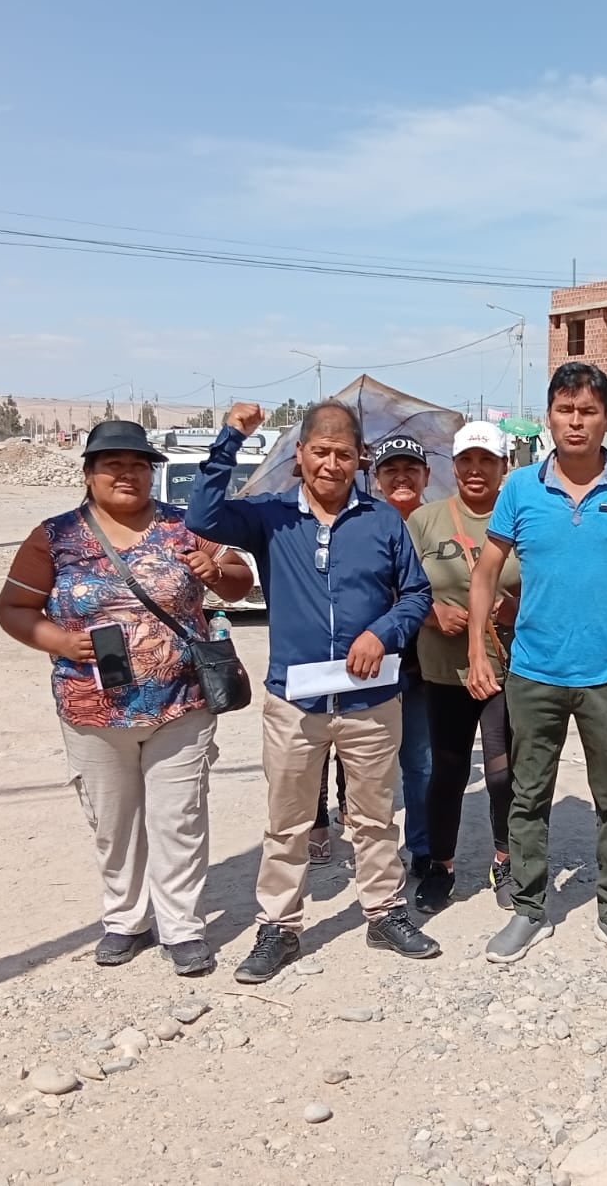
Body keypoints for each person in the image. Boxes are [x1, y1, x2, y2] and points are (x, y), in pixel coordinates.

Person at [186, 400, 440, 981]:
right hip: (294, 703)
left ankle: (384, 912)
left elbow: (416, 594)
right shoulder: (270, 516)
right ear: (299, 454)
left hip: (370, 701)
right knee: (288, 821)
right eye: (320, 451)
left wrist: (383, 633)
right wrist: (230, 438)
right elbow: (202, 515)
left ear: (359, 459)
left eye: (343, 454)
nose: (331, 464)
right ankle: (279, 926)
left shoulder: (382, 521)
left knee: (374, 817)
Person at [0, 420, 254, 977]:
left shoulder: (184, 527)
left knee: (179, 818)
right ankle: (125, 919)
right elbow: (13, 609)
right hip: (92, 708)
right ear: (89, 473)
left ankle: (182, 927)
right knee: (113, 822)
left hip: (181, 702)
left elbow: (239, 579)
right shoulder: (56, 536)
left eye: (139, 465)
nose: (127, 474)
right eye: (113, 464)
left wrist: (214, 568)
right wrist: (61, 642)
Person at [467, 362, 607, 970]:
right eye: (565, 410)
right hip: (534, 673)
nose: (576, 422)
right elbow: (486, 572)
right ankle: (529, 907)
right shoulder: (519, 488)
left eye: (588, 411)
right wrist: (478, 648)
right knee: (528, 795)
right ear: (550, 417)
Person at [405, 421, 521, 913]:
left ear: (503, 467)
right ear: (452, 467)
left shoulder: (521, 516)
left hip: (505, 666)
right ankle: (441, 866)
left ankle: (505, 860)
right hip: (443, 668)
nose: (476, 470)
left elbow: (547, 581)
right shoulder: (425, 520)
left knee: (502, 773)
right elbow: (398, 586)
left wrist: (517, 605)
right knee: (448, 771)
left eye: (487, 461)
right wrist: (431, 614)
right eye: (467, 461)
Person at [367, 434, 435, 878]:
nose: (402, 477)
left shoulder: (441, 524)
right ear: (377, 479)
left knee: (420, 763)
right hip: (371, 666)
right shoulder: (361, 525)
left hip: (424, 667)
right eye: (391, 469)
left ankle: (423, 848)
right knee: (369, 768)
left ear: (427, 475)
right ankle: (372, 859)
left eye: (411, 468)